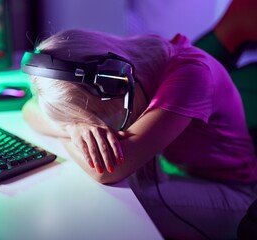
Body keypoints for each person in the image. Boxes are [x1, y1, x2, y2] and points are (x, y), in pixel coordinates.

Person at [21, 1, 257, 239]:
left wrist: (69, 130)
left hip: (235, 193)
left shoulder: (191, 75)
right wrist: (75, 126)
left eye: (98, 117)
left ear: (114, 81)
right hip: (181, 173)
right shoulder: (138, 67)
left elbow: (108, 170)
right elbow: (29, 109)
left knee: (121, 205)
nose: (100, 125)